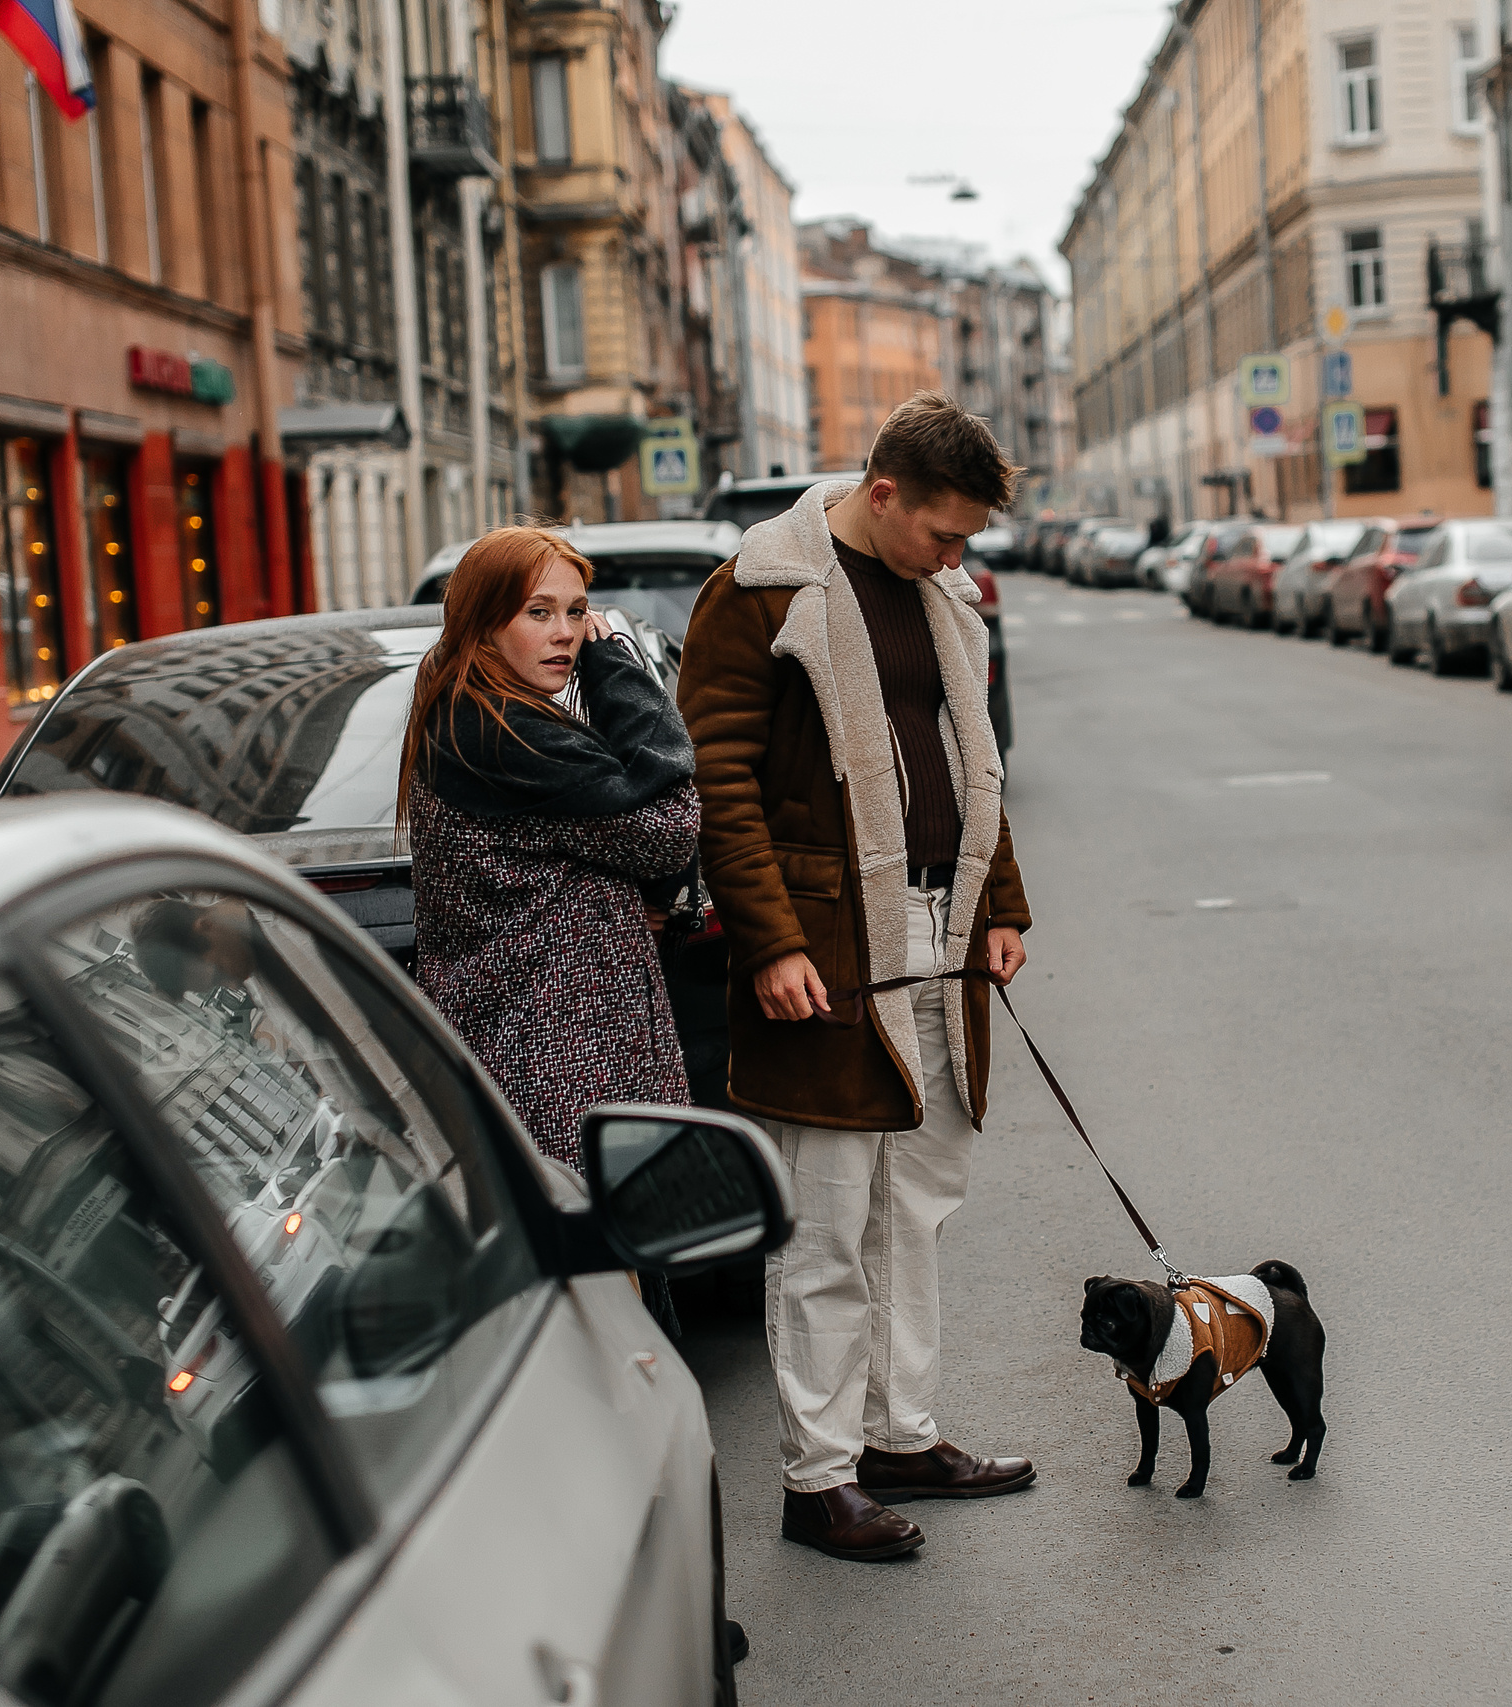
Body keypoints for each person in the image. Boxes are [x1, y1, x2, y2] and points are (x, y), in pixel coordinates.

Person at [680, 391, 1036, 1564]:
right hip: (827, 949)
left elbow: (972, 763)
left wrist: (1002, 904)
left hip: (938, 925)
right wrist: (771, 941)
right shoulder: (761, 590)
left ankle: (900, 1436)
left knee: (917, 1201)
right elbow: (716, 785)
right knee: (827, 1220)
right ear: (884, 494)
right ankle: (817, 1476)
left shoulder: (939, 595)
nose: (959, 555)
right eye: (946, 531)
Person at [399, 526, 701, 1172]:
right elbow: (671, 826)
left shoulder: (465, 712)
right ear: (483, 624)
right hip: (558, 1069)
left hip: (531, 1053)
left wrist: (618, 892)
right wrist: (617, 665)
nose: (566, 632)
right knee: (598, 1260)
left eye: (574, 611)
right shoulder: (509, 737)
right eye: (538, 612)